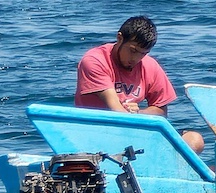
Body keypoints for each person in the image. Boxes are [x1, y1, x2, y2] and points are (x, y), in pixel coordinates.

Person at [74, 15, 204, 151]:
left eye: (143, 53)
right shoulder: (94, 61)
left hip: (135, 135)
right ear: (119, 38)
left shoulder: (150, 65)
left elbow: (161, 111)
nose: (135, 59)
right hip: (96, 135)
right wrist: (132, 115)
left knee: (195, 140)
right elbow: (117, 113)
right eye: (133, 50)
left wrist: (140, 113)